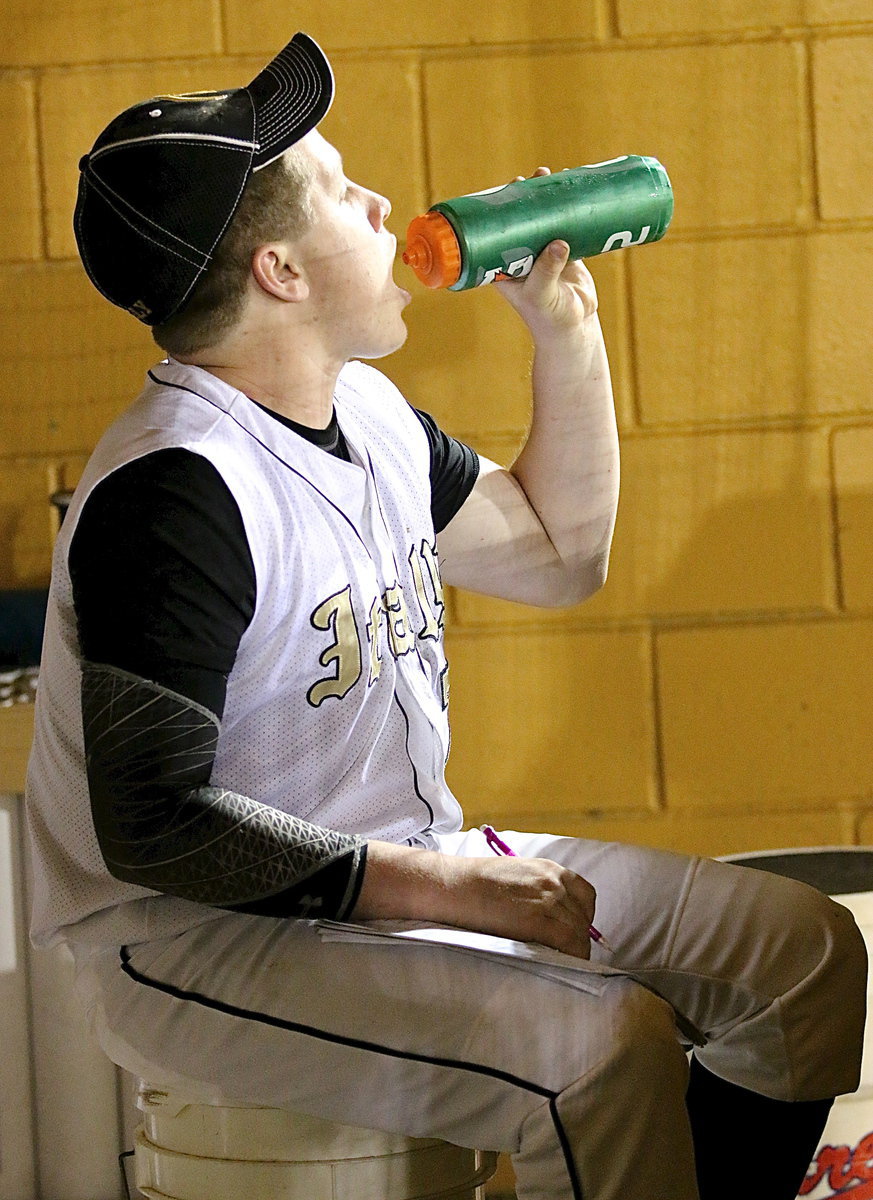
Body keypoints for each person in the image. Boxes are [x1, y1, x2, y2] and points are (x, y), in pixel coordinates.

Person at [26, 32, 866, 1200]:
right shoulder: (177, 494)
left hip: (386, 871)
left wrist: (563, 336)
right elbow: (157, 829)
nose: (381, 203)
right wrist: (457, 891)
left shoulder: (363, 412)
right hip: (195, 937)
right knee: (602, 1053)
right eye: (339, 187)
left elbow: (562, 556)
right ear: (280, 271)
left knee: (804, 955)